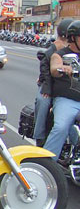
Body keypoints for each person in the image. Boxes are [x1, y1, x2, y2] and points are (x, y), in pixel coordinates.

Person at [43, 20, 80, 161]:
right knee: (61, 127)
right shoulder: (60, 55)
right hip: (67, 100)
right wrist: (63, 68)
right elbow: (54, 68)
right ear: (73, 38)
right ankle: (46, 163)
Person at [33, 19, 72, 147]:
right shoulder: (55, 48)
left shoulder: (74, 49)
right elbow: (45, 69)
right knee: (42, 101)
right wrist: (47, 88)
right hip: (48, 83)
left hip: (66, 85)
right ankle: (39, 138)